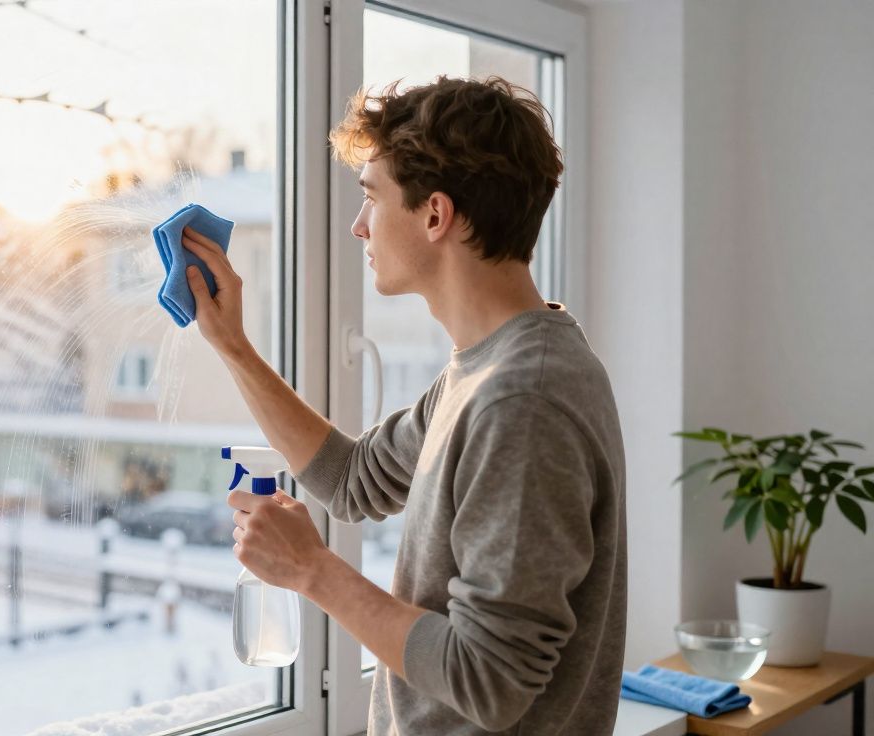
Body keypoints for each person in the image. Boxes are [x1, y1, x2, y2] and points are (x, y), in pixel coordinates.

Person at [181, 76, 626, 735]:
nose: (359, 226)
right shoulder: (487, 368)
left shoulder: (524, 399)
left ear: (435, 216)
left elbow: (489, 681)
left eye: (371, 198)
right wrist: (233, 347)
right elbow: (352, 480)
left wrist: (312, 570)